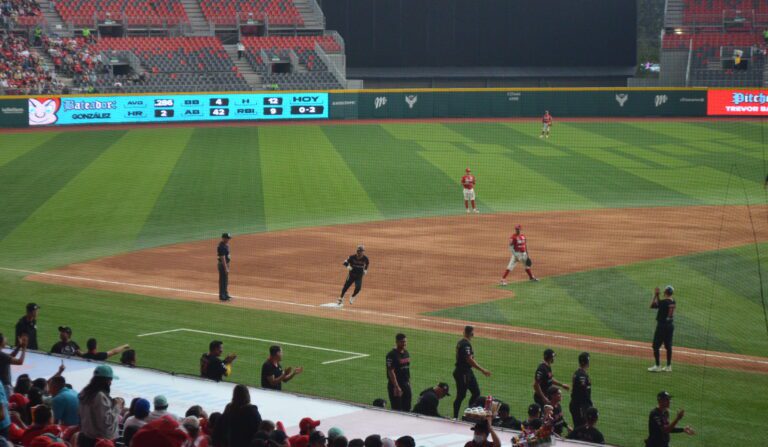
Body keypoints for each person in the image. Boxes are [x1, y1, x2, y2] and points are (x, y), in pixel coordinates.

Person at [78, 365, 122, 447]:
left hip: (86, 437)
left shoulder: (85, 392)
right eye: (110, 380)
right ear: (106, 380)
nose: (111, 383)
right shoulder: (100, 396)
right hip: (99, 441)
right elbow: (106, 422)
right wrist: (117, 406)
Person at [452, 326, 490, 419]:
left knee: (476, 392)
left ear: (463, 332)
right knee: (461, 395)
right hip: (463, 373)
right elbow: (469, 360)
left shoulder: (461, 342)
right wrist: (482, 370)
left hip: (466, 372)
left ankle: (469, 413)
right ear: (471, 334)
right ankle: (456, 417)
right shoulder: (466, 345)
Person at [648, 286, 676, 372]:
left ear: (665, 292)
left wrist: (655, 295)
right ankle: (668, 366)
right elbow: (661, 303)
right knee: (668, 346)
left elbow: (652, 305)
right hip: (670, 326)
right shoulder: (673, 301)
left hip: (662, 326)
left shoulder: (663, 302)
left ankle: (657, 366)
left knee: (655, 346)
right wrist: (658, 296)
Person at [386, 333, 411, 412]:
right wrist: (396, 387)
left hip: (406, 385)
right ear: (397, 342)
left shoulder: (406, 353)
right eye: (402, 342)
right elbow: (391, 371)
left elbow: (407, 369)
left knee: (407, 408)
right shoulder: (391, 355)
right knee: (397, 409)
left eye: (405, 341)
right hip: (396, 386)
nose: (404, 344)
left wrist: (409, 383)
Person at [570, 351, 592, 428]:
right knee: (582, 427)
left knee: (579, 427)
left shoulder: (577, 373)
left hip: (577, 405)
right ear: (587, 362)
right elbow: (583, 393)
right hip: (580, 406)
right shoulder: (582, 375)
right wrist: (588, 406)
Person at [217, 233, 232, 301]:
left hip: (226, 264)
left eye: (229, 238)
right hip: (223, 265)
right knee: (222, 280)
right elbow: (222, 258)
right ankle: (222, 296)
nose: (228, 239)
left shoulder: (226, 245)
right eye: (227, 238)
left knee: (225, 280)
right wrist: (226, 268)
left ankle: (225, 294)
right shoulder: (221, 246)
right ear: (223, 238)